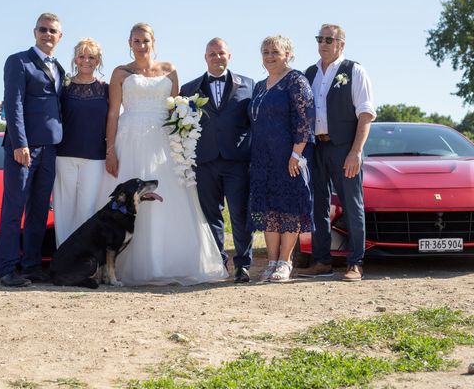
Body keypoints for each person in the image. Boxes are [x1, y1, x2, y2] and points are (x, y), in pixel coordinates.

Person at [102, 22, 228, 286]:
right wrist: (110, 150)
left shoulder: (170, 70)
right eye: (136, 41)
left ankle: (171, 261)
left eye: (145, 41)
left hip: (162, 142)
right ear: (129, 44)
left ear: (153, 42)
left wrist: (182, 140)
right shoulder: (120, 73)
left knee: (169, 197)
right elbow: (113, 112)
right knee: (130, 200)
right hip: (131, 139)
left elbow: (174, 111)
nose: (141, 45)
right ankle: (124, 265)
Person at [298, 23, 376, 282]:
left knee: (352, 204)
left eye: (329, 40)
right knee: (317, 205)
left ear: (341, 44)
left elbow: (365, 114)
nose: (323, 43)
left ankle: (355, 263)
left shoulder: (354, 70)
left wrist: (356, 151)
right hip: (315, 147)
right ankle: (322, 261)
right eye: (320, 38)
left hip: (344, 147)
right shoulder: (309, 73)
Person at [0, 13, 65, 287]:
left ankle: (32, 265)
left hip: (51, 148)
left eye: (53, 31)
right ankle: (7, 268)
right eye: (43, 29)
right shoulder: (18, 61)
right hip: (23, 149)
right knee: (14, 208)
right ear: (34, 32)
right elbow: (13, 105)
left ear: (60, 36)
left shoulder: (59, 68)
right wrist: (20, 143)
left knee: (38, 210)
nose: (47, 34)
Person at [180, 38, 255, 283]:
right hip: (205, 161)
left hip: (237, 160)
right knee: (211, 214)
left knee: (239, 214)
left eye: (221, 53)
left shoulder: (249, 85)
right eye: (212, 54)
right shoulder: (189, 89)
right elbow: (181, 126)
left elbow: (254, 123)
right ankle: (219, 262)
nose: (217, 57)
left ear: (229, 56)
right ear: (205, 57)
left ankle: (243, 264)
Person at [248, 36, 315, 283]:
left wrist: (297, 153)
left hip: (289, 157)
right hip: (262, 158)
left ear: (288, 54)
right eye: (265, 51)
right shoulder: (259, 86)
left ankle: (285, 262)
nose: (269, 56)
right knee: (268, 210)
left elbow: (305, 118)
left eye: (275, 51)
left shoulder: (296, 81)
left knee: (288, 209)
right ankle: (272, 260)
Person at [52, 38, 109, 247]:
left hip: (95, 158)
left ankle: (83, 260)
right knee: (64, 208)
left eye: (91, 57)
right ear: (75, 59)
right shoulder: (63, 87)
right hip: (64, 155)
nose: (86, 60)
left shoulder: (106, 89)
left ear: (98, 61)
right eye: (82, 56)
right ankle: (63, 259)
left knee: (88, 210)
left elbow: (116, 120)